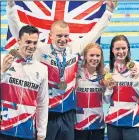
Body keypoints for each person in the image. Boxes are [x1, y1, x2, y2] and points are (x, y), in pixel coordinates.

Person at [6, 1, 115, 140]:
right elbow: (18, 30)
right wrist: (11, 7)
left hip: (68, 114)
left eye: (65, 36)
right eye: (59, 36)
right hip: (48, 113)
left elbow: (96, 32)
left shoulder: (75, 47)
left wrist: (109, 12)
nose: (63, 39)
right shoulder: (40, 50)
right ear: (50, 35)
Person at [0, 25, 49, 140]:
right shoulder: (3, 60)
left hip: (26, 131)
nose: (31, 46)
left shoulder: (42, 69)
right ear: (19, 41)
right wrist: (2, 72)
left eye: (34, 43)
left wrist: (41, 134)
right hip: (3, 129)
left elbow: (42, 103)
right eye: (28, 42)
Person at [104, 35, 139, 140]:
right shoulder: (108, 69)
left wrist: (135, 79)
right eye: (117, 48)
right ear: (112, 50)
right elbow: (105, 100)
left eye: (124, 48)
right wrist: (109, 88)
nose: (121, 51)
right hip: (113, 121)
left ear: (128, 49)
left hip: (133, 121)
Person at [75, 43, 109, 140]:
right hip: (79, 121)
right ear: (85, 56)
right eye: (91, 55)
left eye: (98, 55)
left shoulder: (104, 74)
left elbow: (107, 100)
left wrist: (108, 87)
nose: (95, 58)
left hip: (97, 122)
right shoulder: (77, 72)